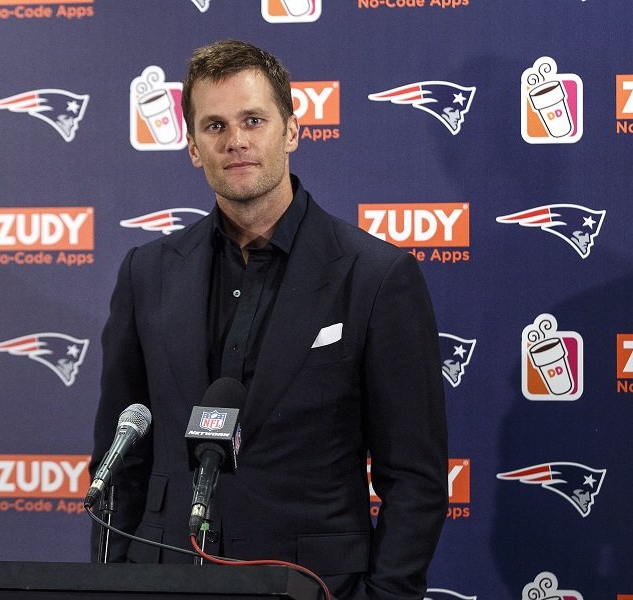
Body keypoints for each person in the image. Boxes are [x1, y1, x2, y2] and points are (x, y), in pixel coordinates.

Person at [90, 39, 448, 600]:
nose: (235, 141)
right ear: (191, 147)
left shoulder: (377, 277)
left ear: (292, 131)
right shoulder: (147, 273)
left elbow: (416, 480)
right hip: (162, 582)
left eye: (253, 119)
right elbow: (119, 461)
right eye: (214, 126)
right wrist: (110, 587)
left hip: (312, 585)